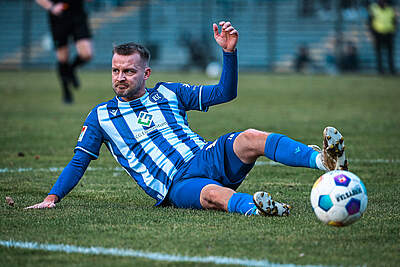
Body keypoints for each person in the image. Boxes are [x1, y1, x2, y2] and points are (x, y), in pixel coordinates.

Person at [26, 22, 348, 217]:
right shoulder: (101, 116)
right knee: (211, 195)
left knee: (250, 137)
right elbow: (78, 162)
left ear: (146, 73)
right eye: (115, 70)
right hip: (176, 185)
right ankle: (258, 207)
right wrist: (51, 198)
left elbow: (225, 92)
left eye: (128, 71)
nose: (120, 77)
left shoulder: (170, 92)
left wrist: (229, 54)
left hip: (205, 156)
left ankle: (324, 161)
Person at [36, 0, 93, 103]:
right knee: (63, 58)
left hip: (77, 14)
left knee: (87, 54)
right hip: (59, 17)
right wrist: (51, 7)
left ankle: (71, 70)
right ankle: (66, 91)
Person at [368, 0, 397, 74]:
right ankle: (380, 70)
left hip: (389, 33)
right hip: (378, 34)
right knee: (379, 53)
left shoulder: (390, 9)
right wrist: (372, 34)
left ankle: (392, 70)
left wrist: (393, 32)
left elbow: (394, 21)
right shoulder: (374, 8)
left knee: (390, 53)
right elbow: (370, 22)